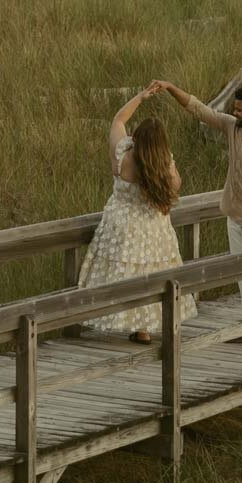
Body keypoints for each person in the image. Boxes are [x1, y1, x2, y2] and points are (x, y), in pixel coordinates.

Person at [147, 79, 242, 342]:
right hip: (235, 216)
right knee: (241, 272)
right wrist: (169, 87)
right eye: (234, 109)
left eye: (239, 110)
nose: (234, 113)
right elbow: (199, 109)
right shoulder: (233, 128)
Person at [77, 89, 197, 343]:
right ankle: (143, 328)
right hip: (153, 228)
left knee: (122, 273)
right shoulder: (164, 165)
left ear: (137, 137)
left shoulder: (123, 153)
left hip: (121, 225)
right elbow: (175, 187)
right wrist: (168, 164)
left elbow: (118, 120)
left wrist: (141, 96)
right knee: (151, 275)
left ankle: (117, 319)